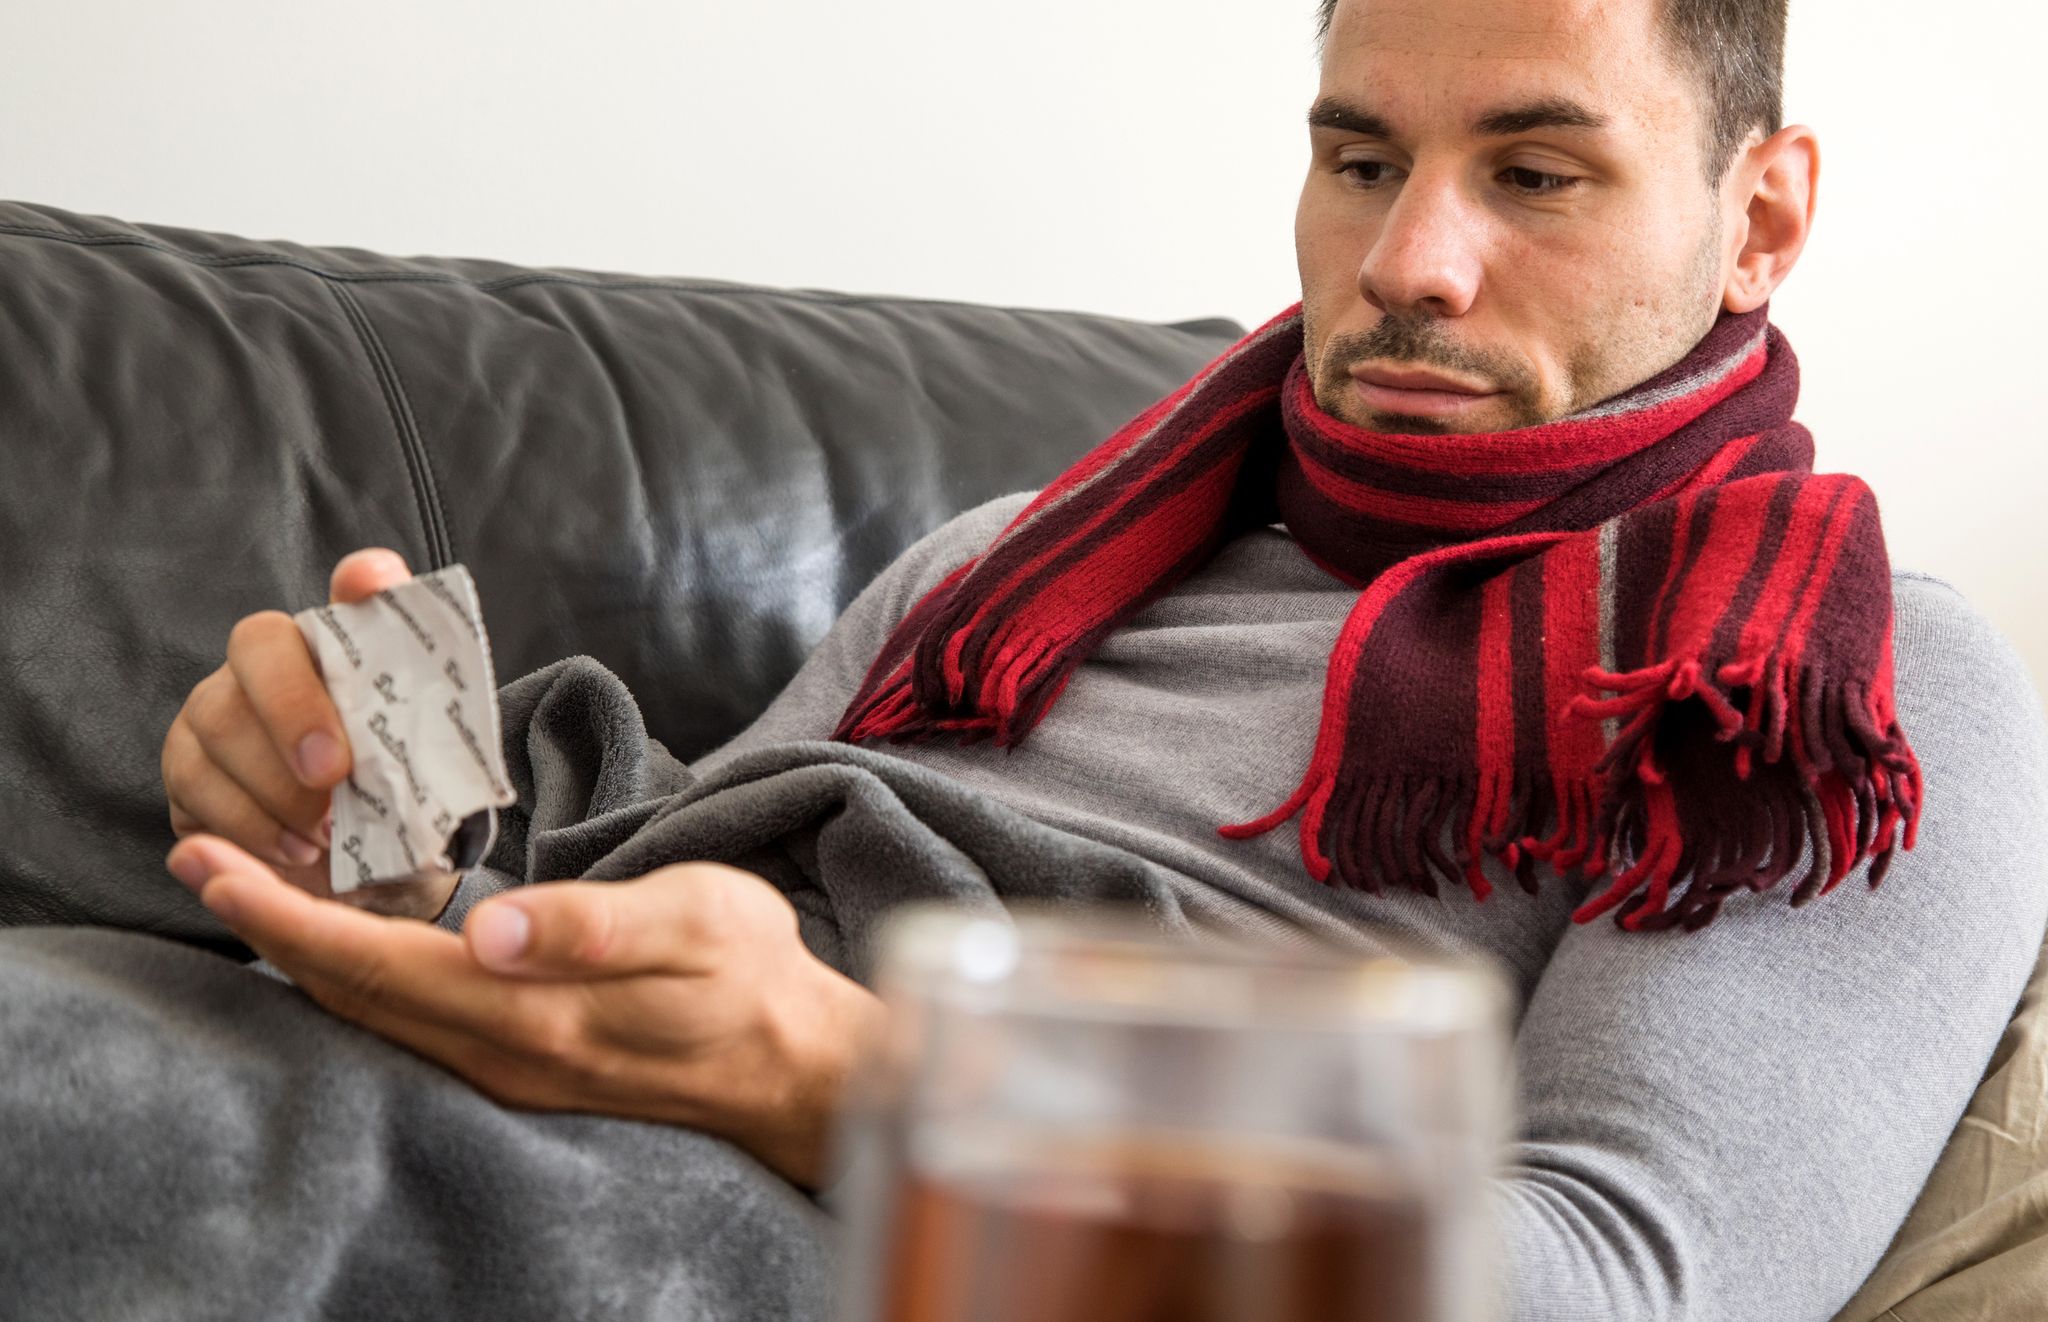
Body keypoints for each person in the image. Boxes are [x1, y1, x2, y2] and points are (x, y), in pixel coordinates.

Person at [156, 0, 2048, 1317]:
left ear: (1763, 216)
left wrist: (880, 1089)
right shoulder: (1019, 557)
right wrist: (382, 838)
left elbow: (1619, 1278)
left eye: (1536, 175)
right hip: (570, 1115)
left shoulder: (1808, 671)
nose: (1411, 260)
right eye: (1362, 157)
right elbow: (675, 900)